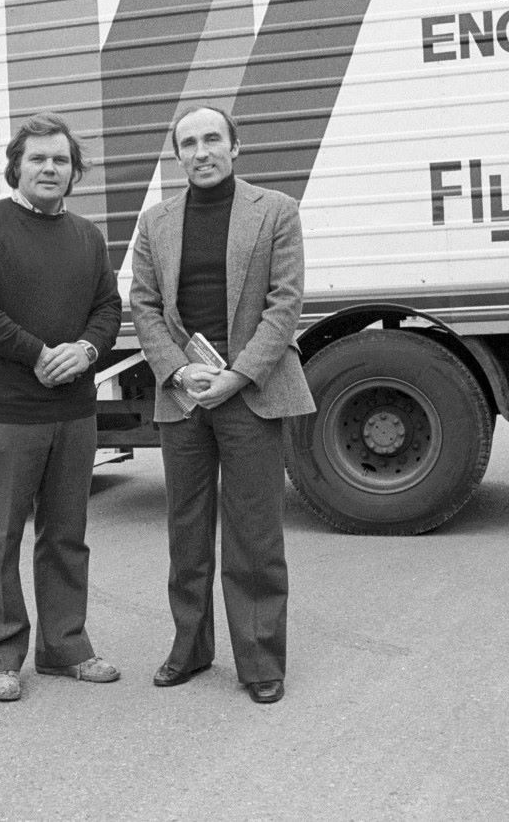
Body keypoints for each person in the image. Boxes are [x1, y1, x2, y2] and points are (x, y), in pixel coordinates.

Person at [129, 105, 315, 704]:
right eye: (188, 142)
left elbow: (285, 306)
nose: (201, 151)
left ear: (237, 146)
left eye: (213, 139)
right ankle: (190, 647)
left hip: (251, 395)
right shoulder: (155, 222)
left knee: (254, 534)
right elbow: (145, 306)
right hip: (184, 396)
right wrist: (179, 369)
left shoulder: (276, 212)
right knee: (185, 532)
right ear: (177, 155)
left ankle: (260, 660)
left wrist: (236, 376)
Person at [0, 111, 123, 702]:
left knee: (66, 535)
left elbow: (108, 307)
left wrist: (86, 349)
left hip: (73, 413)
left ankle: (64, 647)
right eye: (38, 159)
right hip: (5, 414)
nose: (50, 168)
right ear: (15, 168)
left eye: (61, 160)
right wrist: (37, 353)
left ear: (74, 173)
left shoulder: (87, 236)